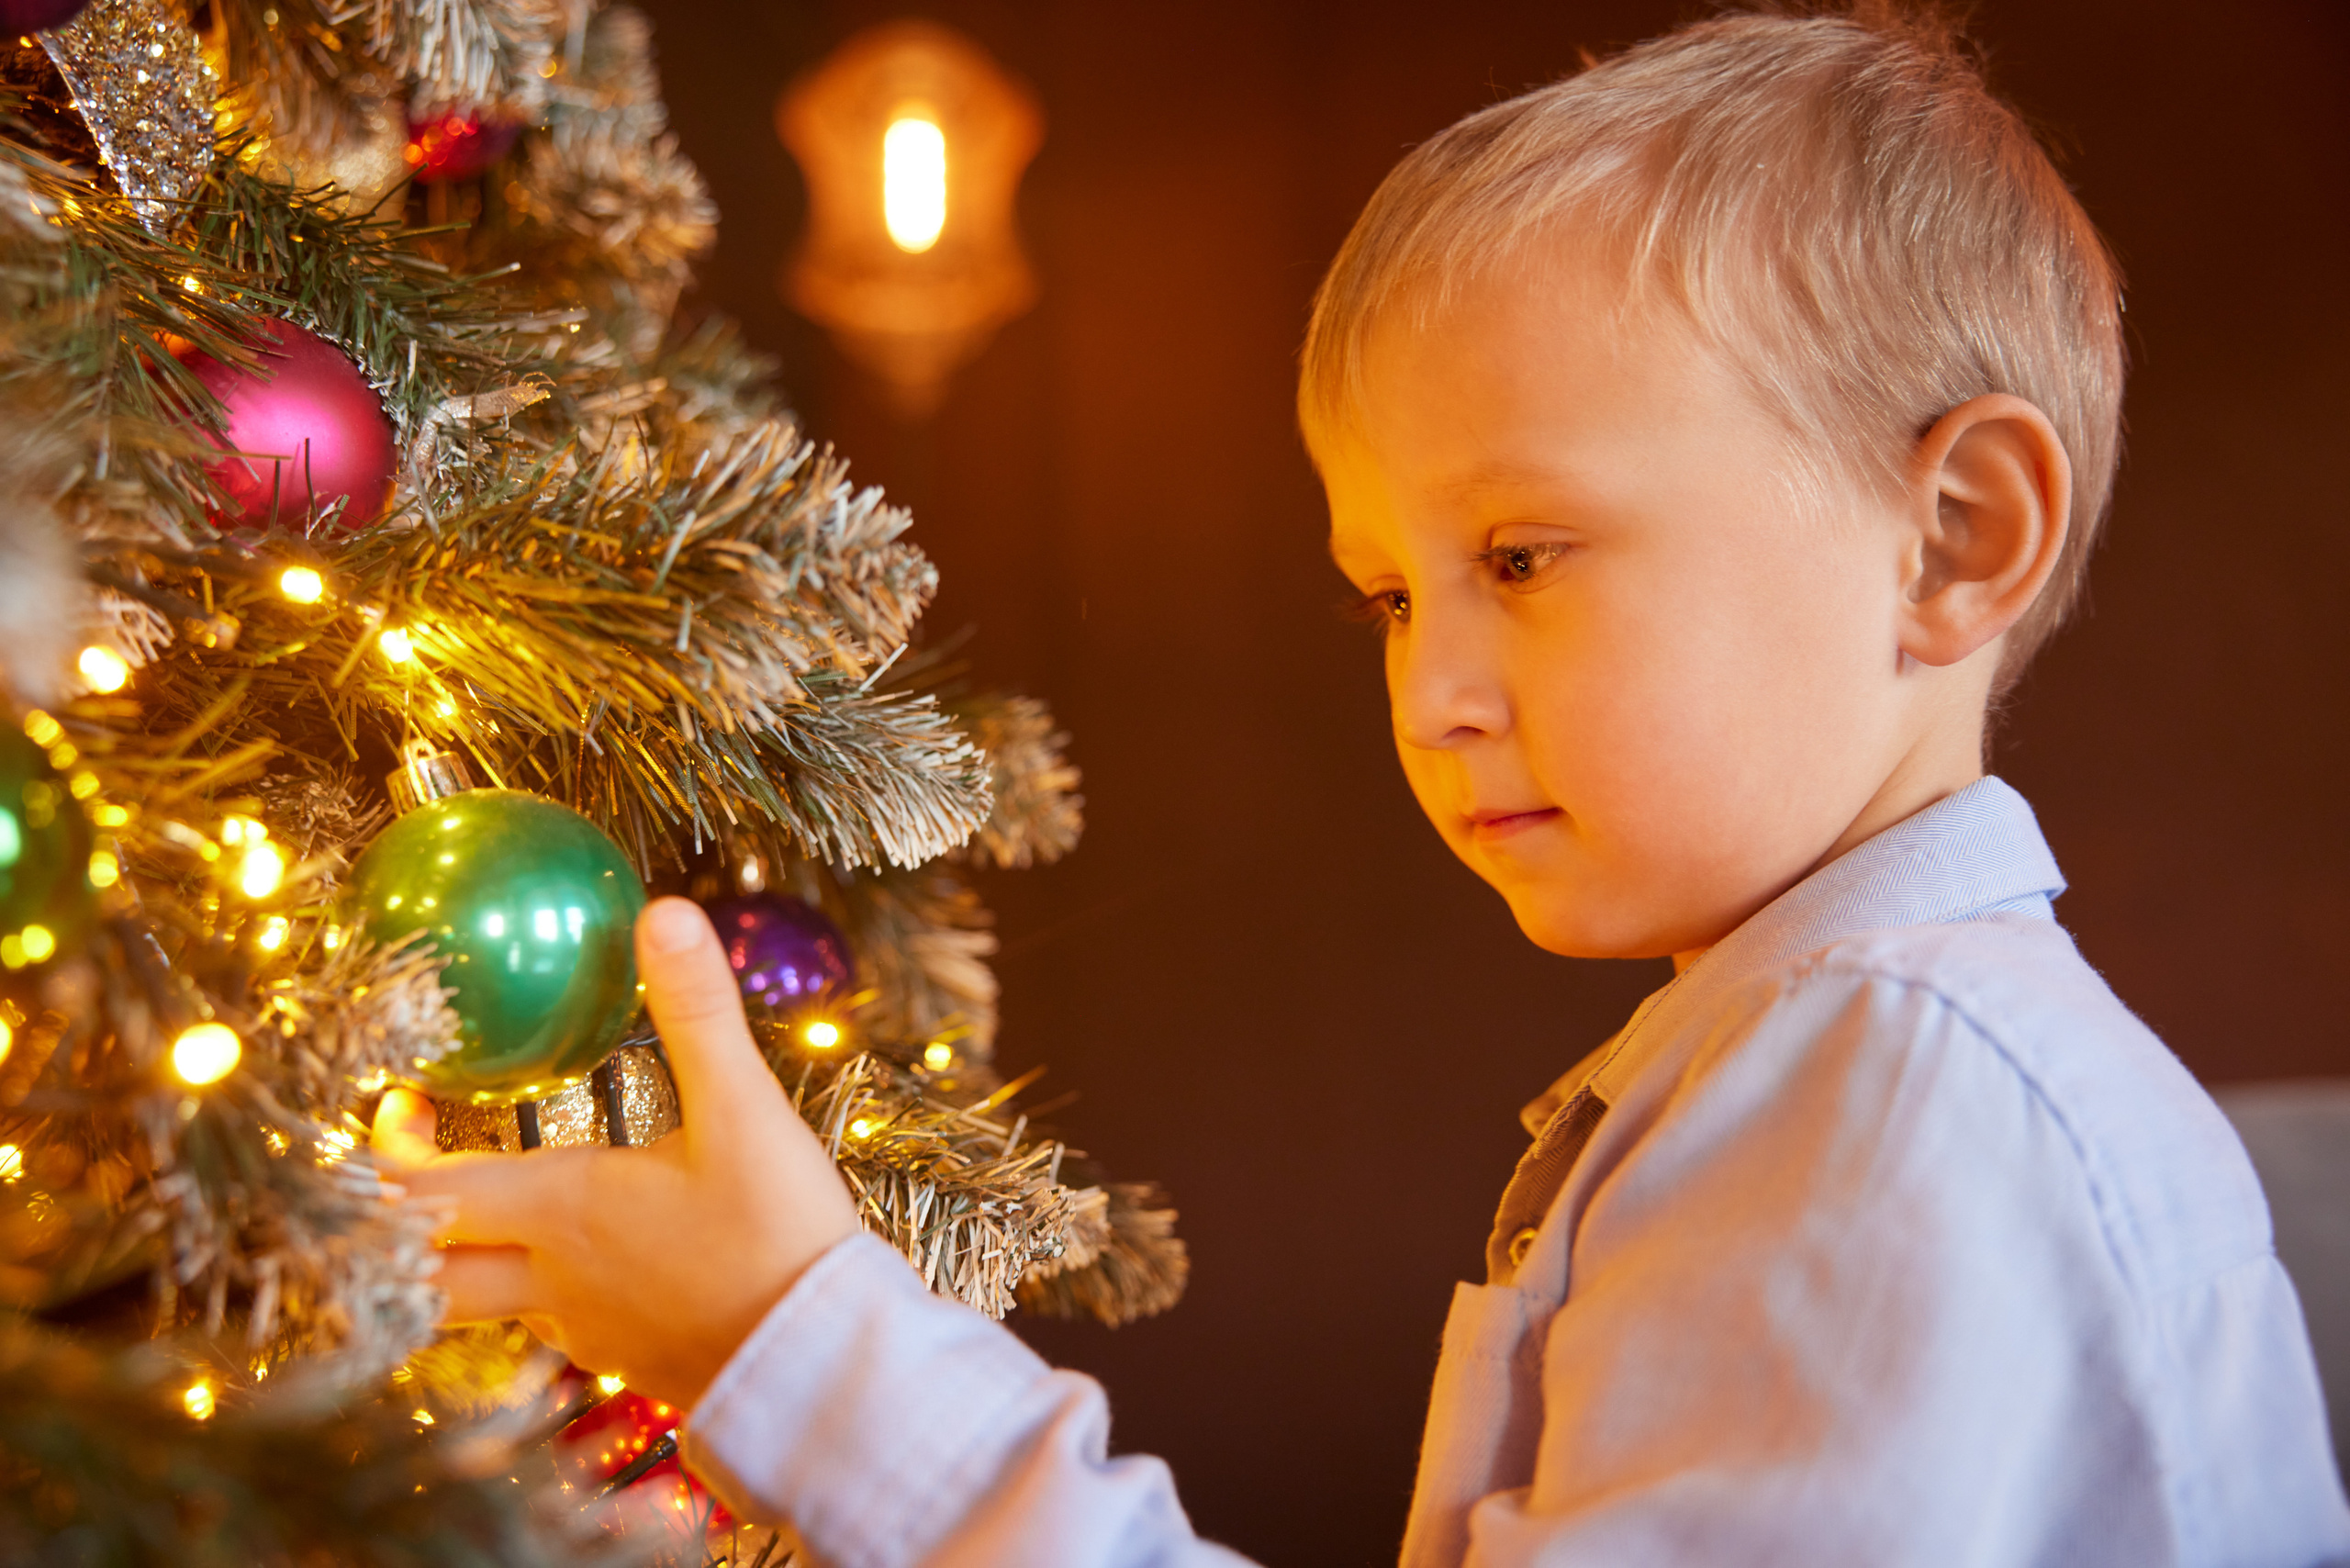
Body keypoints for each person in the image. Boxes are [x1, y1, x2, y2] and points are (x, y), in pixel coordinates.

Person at [372, 8, 2350, 1564]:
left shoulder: (1896, 1098)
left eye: (1521, 556)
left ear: (1948, 540)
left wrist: (784, 1336)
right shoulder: (1829, 1058)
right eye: (1389, 593)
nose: (1432, 691)